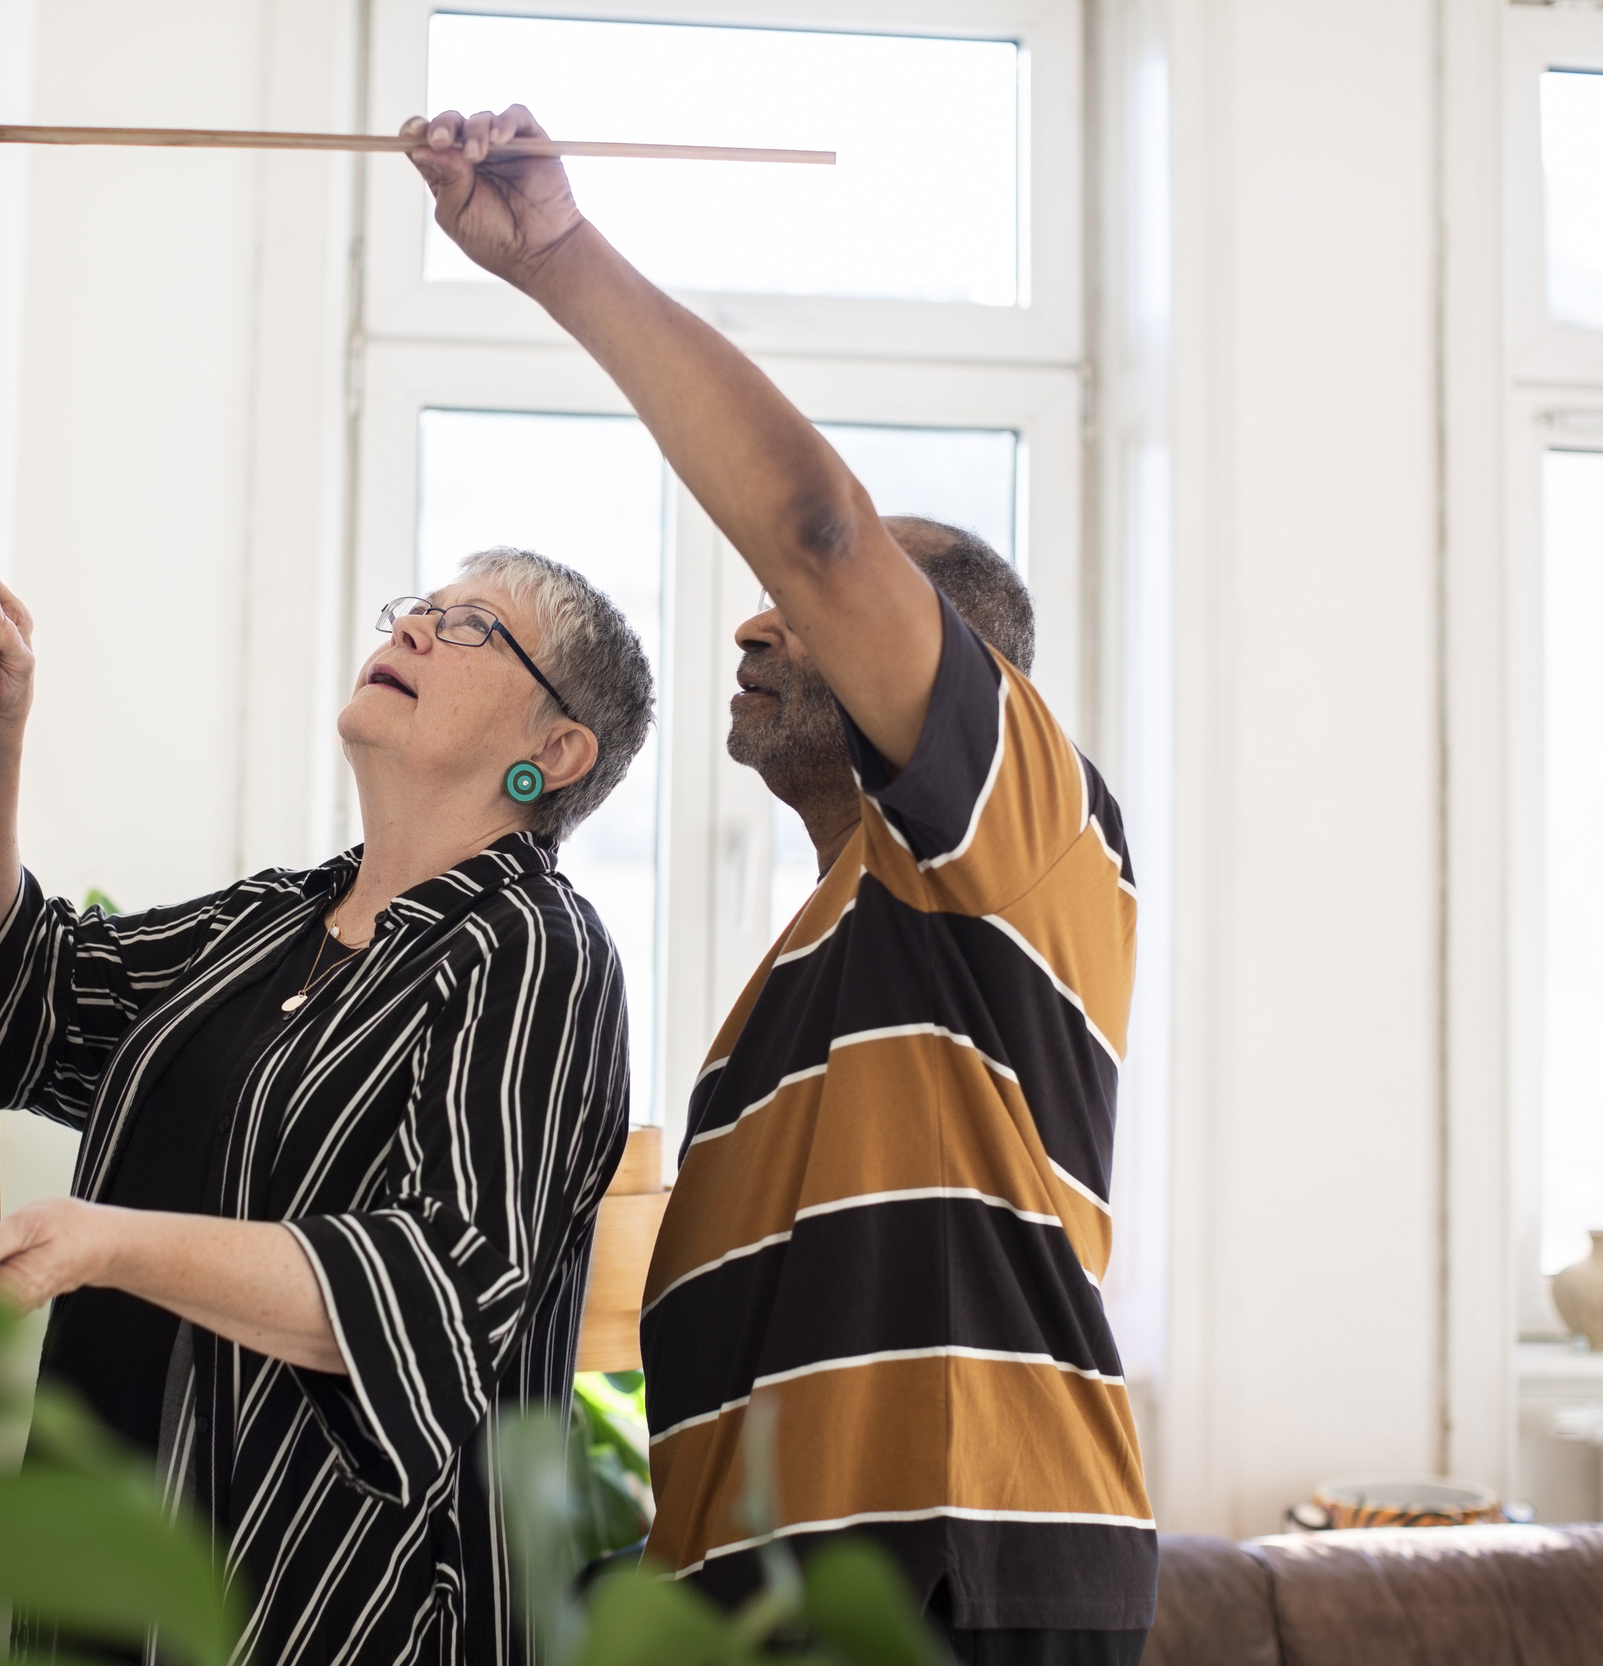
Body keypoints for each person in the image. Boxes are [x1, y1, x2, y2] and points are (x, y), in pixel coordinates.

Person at [405, 109, 1155, 1662]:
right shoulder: (811, 973)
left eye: (806, 612)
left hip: (963, 1569)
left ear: (965, 681)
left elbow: (818, 533)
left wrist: (555, 255)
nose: (755, 625)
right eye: (758, 610)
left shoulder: (1026, 836)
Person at [0, 546, 655, 1666]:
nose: (418, 627)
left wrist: (108, 1243)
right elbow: (33, 1005)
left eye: (474, 625)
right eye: (419, 607)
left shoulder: (535, 949)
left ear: (554, 751)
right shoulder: (279, 918)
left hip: (342, 1610)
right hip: (110, 1567)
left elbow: (441, 1285)